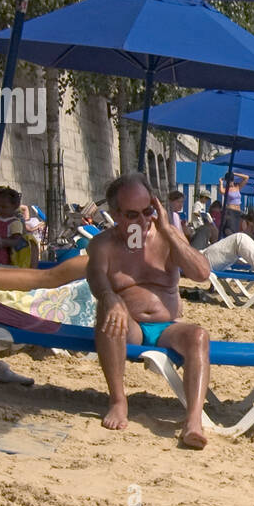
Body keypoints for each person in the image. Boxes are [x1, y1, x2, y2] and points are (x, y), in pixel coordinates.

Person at [86, 173, 214, 449]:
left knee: (199, 336)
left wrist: (168, 230)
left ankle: (193, 420)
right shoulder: (103, 245)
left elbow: (202, 273)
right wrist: (110, 297)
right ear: (115, 215)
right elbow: (96, 279)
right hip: (127, 326)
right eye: (132, 215)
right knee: (108, 310)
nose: (143, 222)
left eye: (148, 212)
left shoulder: (167, 238)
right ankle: (119, 400)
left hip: (166, 327)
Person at [0, 187, 32, 267]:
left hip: (0, 256)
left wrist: (1, 242)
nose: (0, 209)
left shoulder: (15, 223)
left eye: (4, 207)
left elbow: (15, 241)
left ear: (14, 207)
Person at [219, 171, 248, 238]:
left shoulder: (237, 186)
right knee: (232, 229)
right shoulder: (226, 189)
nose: (230, 182)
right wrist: (221, 182)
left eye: (231, 181)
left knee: (238, 228)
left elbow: (246, 178)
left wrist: (234, 174)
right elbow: (221, 191)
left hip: (238, 211)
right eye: (229, 181)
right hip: (230, 211)